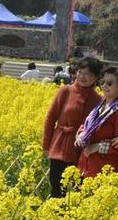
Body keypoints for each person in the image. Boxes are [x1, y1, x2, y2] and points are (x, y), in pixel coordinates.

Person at [42, 56, 103, 197]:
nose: (82, 76)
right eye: (80, 72)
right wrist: (46, 146)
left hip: (82, 152)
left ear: (95, 77)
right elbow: (50, 118)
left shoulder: (99, 100)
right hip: (60, 148)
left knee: (77, 194)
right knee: (57, 191)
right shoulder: (65, 91)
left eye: (88, 74)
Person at [76, 66, 118, 178]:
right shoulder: (101, 105)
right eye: (103, 82)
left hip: (105, 172)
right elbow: (87, 125)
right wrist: (80, 134)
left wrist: (95, 147)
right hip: (86, 166)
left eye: (110, 83)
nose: (104, 86)